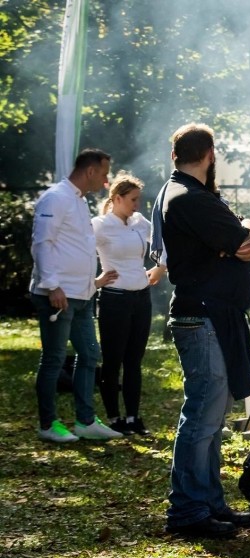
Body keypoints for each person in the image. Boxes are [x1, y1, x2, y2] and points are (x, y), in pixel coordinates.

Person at [159, 123, 250, 539]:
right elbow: (246, 241)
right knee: (201, 415)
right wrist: (243, 232)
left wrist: (238, 237)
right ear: (210, 154)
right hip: (202, 317)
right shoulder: (189, 197)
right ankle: (186, 509)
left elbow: (240, 242)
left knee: (212, 417)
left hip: (211, 315)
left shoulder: (188, 194)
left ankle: (209, 501)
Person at [30, 148, 123, 442]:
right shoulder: (56, 197)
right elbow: (42, 242)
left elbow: (76, 249)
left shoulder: (80, 202)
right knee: (54, 359)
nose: (107, 181)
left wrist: (91, 284)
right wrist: (52, 285)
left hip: (82, 295)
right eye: (105, 173)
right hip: (58, 295)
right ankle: (48, 425)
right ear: (91, 170)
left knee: (89, 354)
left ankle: (85, 421)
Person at [92, 173, 166, 436]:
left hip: (141, 298)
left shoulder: (139, 222)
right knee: (113, 361)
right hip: (114, 300)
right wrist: (96, 282)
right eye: (133, 199)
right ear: (117, 199)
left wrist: (160, 268)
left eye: (139, 199)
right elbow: (76, 253)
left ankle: (134, 417)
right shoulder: (99, 225)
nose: (137, 204)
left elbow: (163, 242)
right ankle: (114, 419)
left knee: (134, 361)